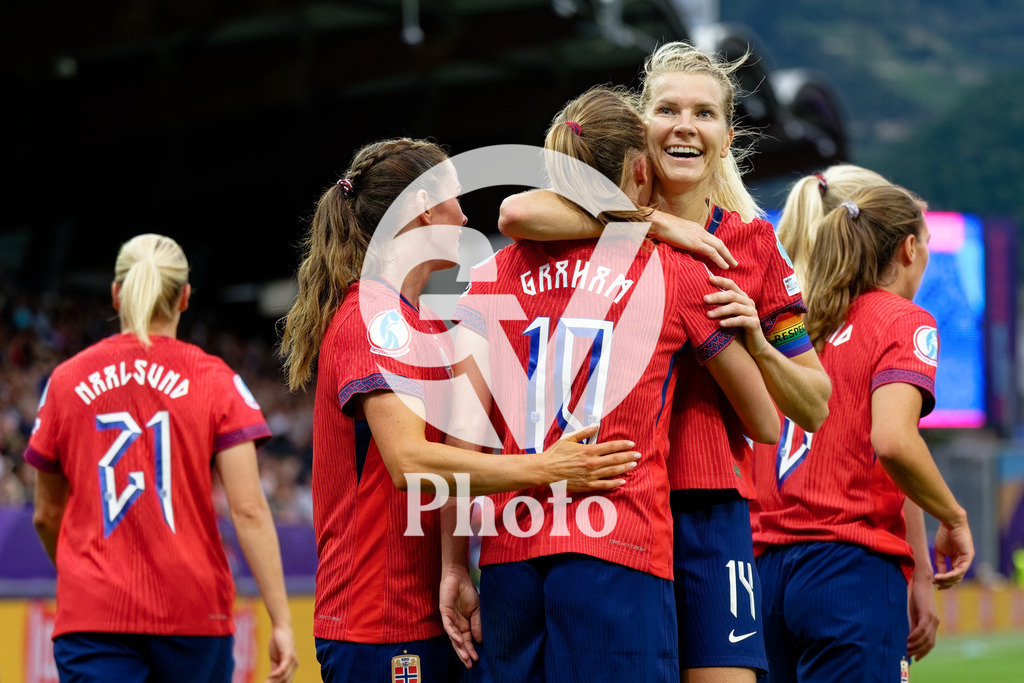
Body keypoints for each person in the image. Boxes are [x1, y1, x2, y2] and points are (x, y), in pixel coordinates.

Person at [498, 41, 832, 683]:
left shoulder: (752, 243)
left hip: (709, 509)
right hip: (609, 504)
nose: (685, 125)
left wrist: (758, 344)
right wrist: (652, 222)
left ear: (727, 136)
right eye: (667, 110)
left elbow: (812, 403)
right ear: (640, 126)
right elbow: (515, 211)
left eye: (704, 114)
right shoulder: (582, 218)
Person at [443, 86, 780, 683]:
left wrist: (453, 566)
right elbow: (765, 422)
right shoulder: (673, 270)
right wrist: (753, 336)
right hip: (618, 547)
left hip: (510, 557)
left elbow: (460, 436)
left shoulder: (490, 275)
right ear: (639, 169)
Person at [278, 137, 641, 683]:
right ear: (424, 207)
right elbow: (411, 464)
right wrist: (548, 469)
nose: (465, 213)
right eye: (456, 197)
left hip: (423, 616)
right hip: (376, 625)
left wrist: (454, 565)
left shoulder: (422, 322)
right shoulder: (369, 318)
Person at [25, 234, 298, 683]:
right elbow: (248, 509)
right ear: (185, 297)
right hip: (193, 615)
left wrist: (85, 577)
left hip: (94, 620)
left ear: (116, 293)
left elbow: (45, 515)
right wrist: (282, 621)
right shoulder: (216, 380)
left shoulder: (64, 381)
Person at [752, 184, 975, 682]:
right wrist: (954, 517)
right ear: (908, 248)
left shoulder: (800, 325)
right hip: (848, 572)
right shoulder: (904, 320)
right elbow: (893, 440)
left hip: (766, 575)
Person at [774, 164, 941, 662]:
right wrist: (925, 563)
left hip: (759, 564)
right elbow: (892, 443)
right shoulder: (887, 318)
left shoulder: (776, 318)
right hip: (850, 565)